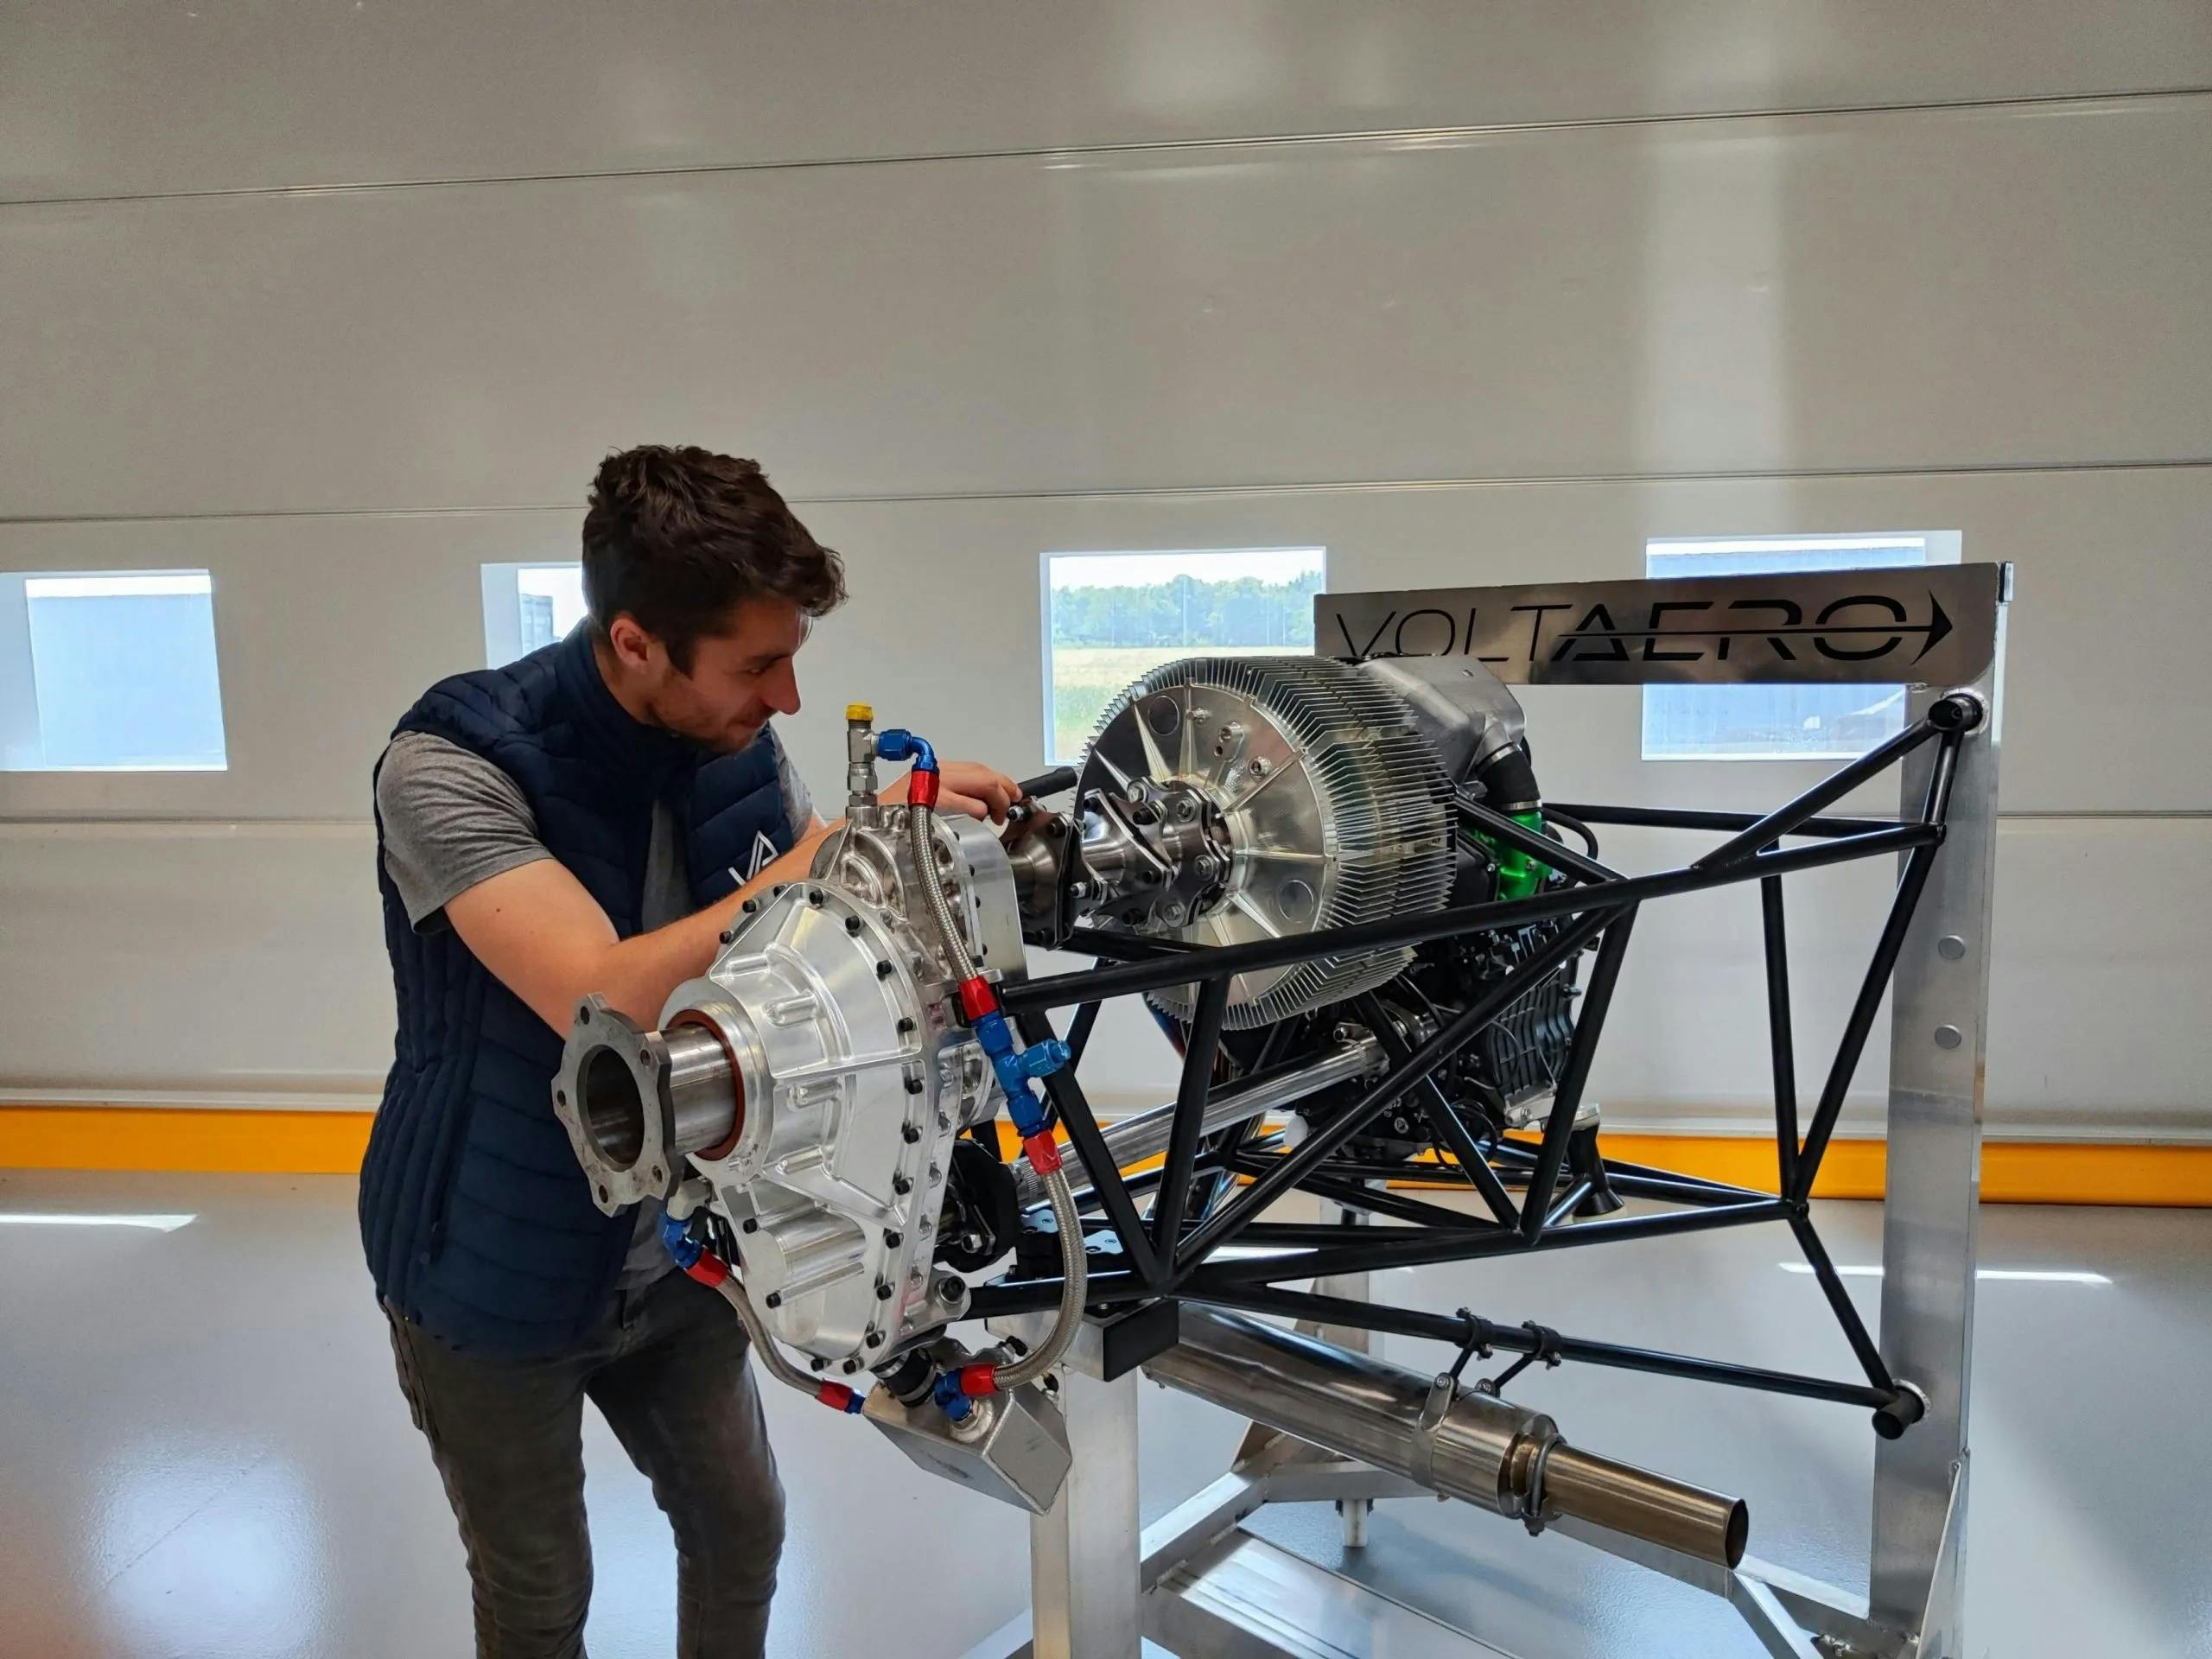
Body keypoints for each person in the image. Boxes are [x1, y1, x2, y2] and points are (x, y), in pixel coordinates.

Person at [359, 444, 1019, 1657]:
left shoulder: (737, 750)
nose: (786, 703)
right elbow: (596, 995)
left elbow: (799, 910)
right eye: (756, 667)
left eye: (792, 661)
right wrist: (841, 847)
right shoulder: (449, 766)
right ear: (634, 645)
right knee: (539, 1588)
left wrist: (903, 854)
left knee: (740, 1533)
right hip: (489, 1266)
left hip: (684, 1256)